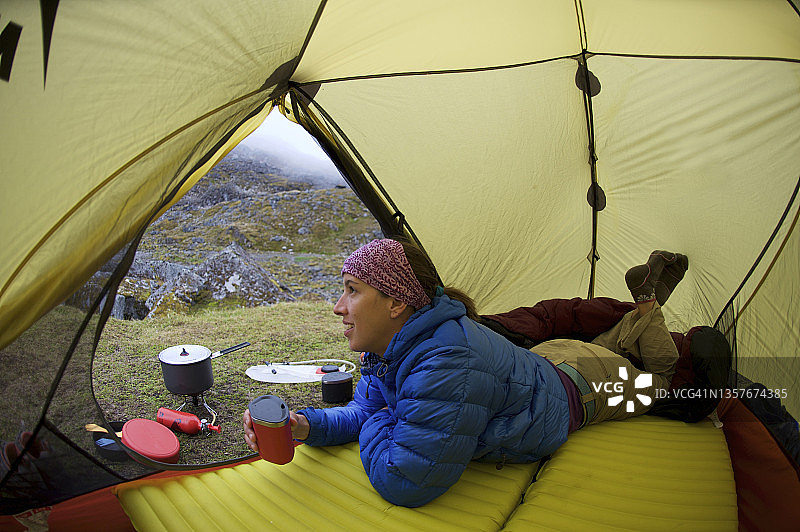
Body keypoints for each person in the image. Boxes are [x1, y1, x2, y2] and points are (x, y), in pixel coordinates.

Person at [242, 238, 688, 507]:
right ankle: (641, 314)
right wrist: (304, 426)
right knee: (610, 347)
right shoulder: (392, 348)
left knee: (660, 382)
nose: (338, 307)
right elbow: (366, 410)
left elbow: (406, 481)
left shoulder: (446, 362)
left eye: (352, 290)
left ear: (396, 303)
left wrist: (383, 416)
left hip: (581, 388)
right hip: (549, 360)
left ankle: (647, 305)